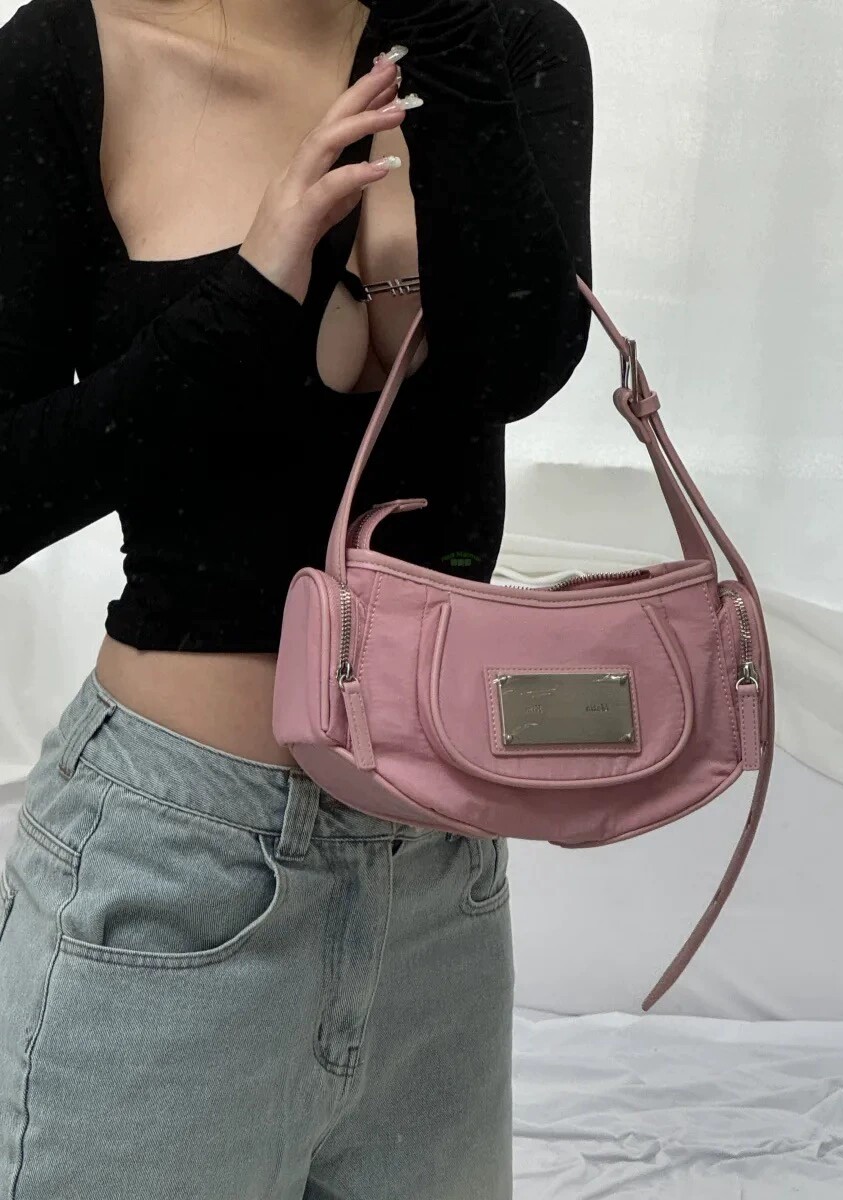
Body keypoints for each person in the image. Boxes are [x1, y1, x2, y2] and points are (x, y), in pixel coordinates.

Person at [0, 0, 593, 1193]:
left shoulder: (504, 38)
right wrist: (251, 294)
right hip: (176, 858)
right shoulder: (73, 52)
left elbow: (514, 365)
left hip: (441, 873)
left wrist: (448, 47)